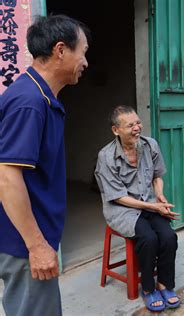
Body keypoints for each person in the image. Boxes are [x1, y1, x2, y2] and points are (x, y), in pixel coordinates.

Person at [0, 15, 89, 316]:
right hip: (23, 244)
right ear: (61, 50)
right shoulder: (30, 102)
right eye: (83, 52)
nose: (85, 62)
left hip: (28, 238)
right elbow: (7, 177)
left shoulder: (40, 97)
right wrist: (37, 246)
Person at [94, 105, 180, 312]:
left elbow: (157, 175)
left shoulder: (150, 145)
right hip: (122, 209)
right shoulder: (106, 156)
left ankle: (165, 284)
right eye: (130, 125)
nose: (137, 128)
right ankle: (149, 289)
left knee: (169, 236)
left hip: (149, 202)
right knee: (148, 238)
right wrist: (153, 206)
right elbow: (119, 197)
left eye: (138, 123)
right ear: (116, 130)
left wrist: (159, 195)